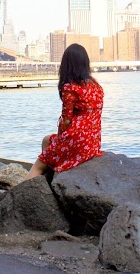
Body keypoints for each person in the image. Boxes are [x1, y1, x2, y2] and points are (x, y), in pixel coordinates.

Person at [25, 43, 104, 179]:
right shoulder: (96, 85)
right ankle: (50, 179)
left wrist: (61, 134)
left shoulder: (71, 87)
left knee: (39, 165)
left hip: (76, 142)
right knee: (46, 141)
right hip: (92, 142)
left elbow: (66, 120)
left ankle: (20, 194)